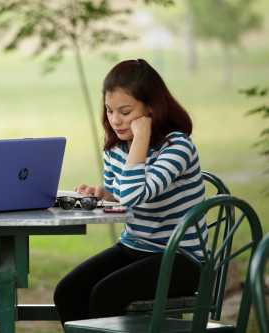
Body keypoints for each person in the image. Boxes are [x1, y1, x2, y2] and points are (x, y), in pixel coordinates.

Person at [53, 59, 205, 324]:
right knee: (68, 292)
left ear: (151, 108)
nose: (115, 120)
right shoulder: (116, 148)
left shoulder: (177, 147)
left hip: (181, 259)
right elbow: (125, 195)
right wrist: (104, 194)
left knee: (105, 295)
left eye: (125, 111)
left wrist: (142, 137)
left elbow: (135, 195)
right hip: (135, 247)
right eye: (110, 111)